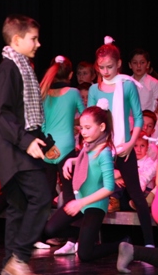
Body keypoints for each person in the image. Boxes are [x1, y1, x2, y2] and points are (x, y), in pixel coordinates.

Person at [0, 14, 57, 275]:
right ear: (17, 40)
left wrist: (43, 142)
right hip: (13, 150)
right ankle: (19, 260)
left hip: (19, 147)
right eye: (33, 39)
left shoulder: (22, 68)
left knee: (19, 206)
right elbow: (3, 115)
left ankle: (9, 268)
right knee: (41, 197)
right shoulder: (9, 69)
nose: (38, 44)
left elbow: (24, 115)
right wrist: (26, 142)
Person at [88, 36, 154, 248]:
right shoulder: (94, 90)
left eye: (109, 67)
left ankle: (149, 244)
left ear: (118, 64)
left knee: (136, 194)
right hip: (101, 149)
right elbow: (89, 121)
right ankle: (86, 240)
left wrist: (131, 143)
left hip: (124, 147)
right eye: (101, 68)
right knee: (94, 192)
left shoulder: (127, 86)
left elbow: (138, 117)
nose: (105, 71)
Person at [43, 103, 120, 261]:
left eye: (87, 128)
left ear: (102, 127)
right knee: (50, 229)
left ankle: (121, 245)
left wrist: (80, 203)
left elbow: (109, 187)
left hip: (94, 205)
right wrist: (71, 161)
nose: (83, 132)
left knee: (85, 255)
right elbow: (86, 161)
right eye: (81, 128)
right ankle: (83, 237)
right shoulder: (89, 146)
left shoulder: (104, 152)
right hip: (81, 201)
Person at [40, 55, 85, 205]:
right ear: (70, 75)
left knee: (47, 190)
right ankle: (68, 218)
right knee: (68, 190)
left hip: (47, 145)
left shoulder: (44, 92)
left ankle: (44, 219)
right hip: (66, 146)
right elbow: (85, 117)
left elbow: (43, 122)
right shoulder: (74, 92)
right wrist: (72, 123)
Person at [128, 49, 158, 113]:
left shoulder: (154, 83)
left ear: (148, 64)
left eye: (142, 62)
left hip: (148, 117)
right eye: (135, 63)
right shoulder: (125, 83)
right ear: (130, 65)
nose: (138, 66)